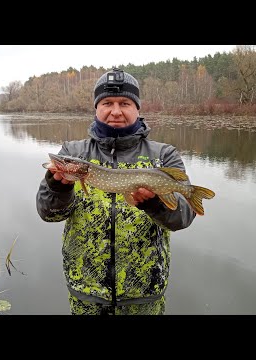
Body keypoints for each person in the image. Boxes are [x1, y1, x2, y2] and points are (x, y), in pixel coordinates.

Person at [36, 68, 197, 315]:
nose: (115, 111)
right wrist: (58, 186)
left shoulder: (163, 155)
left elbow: (182, 219)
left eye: (124, 103)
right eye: (107, 103)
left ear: (137, 108)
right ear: (96, 108)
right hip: (86, 292)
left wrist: (153, 204)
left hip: (144, 294)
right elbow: (49, 215)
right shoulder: (74, 152)